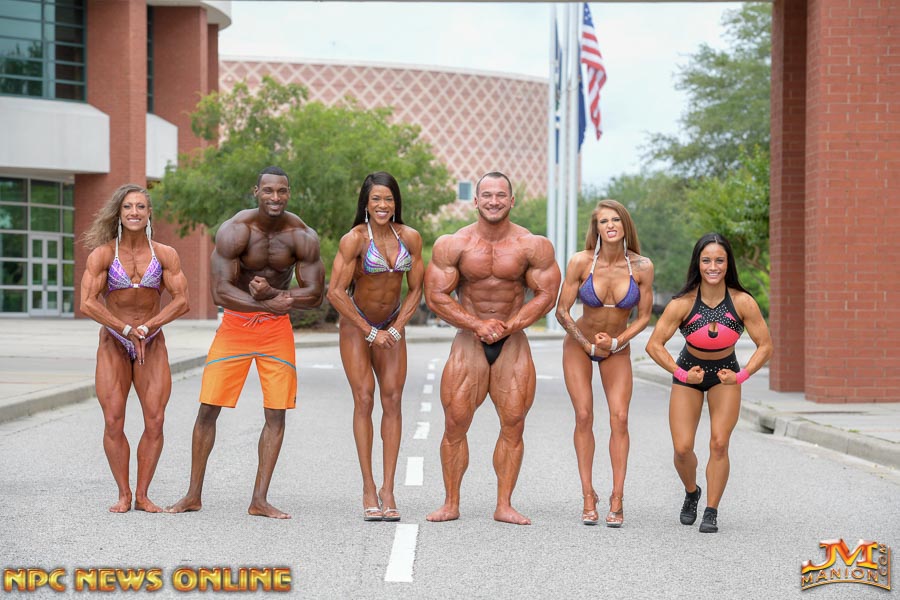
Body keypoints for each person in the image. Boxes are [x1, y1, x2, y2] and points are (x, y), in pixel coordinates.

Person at [167, 166, 325, 519]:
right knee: (209, 408)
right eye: (268, 190)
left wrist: (274, 295)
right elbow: (220, 291)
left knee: (276, 413)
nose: (275, 197)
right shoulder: (235, 230)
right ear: (256, 191)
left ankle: (259, 500)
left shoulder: (302, 235)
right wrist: (269, 301)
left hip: (275, 331)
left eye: (281, 191)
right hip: (236, 326)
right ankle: (193, 495)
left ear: (289, 193)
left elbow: (315, 294)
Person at [424, 171, 561, 525]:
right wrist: (477, 324)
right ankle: (451, 503)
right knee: (455, 422)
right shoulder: (453, 244)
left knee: (514, 423)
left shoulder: (533, 245)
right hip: (469, 340)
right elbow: (435, 295)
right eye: (487, 195)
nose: (494, 201)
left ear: (511, 200)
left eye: (501, 195)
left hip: (512, 341)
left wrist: (509, 325)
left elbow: (547, 294)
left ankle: (504, 504)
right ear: (476, 200)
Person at [646, 233, 772, 533]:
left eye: (719, 260)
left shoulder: (742, 302)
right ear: (697, 263)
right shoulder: (682, 303)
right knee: (682, 448)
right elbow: (654, 345)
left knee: (719, 443)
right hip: (689, 374)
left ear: (728, 264)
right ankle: (692, 491)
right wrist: (681, 374)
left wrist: (741, 376)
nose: (713, 266)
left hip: (726, 376)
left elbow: (765, 345)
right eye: (706, 260)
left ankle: (711, 510)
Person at [80, 183, 190, 513]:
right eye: (128, 207)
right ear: (119, 213)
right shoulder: (103, 255)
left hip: (151, 342)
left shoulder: (165, 254)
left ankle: (142, 495)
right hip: (114, 341)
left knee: (155, 420)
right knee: (114, 421)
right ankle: (123, 494)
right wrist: (126, 329)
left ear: (149, 213)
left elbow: (182, 300)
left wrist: (149, 327)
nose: (134, 212)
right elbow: (87, 302)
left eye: (141, 207)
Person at [327, 172, 424, 522]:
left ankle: (388, 489)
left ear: (396, 203)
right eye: (376, 199)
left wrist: (395, 328)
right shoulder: (354, 240)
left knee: (393, 400)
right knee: (365, 398)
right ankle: (368, 487)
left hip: (392, 325)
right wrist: (369, 331)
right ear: (366, 204)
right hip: (357, 325)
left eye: (388, 199)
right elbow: (335, 292)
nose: (382, 205)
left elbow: (416, 289)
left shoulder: (409, 237)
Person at [554, 199, 654, 527]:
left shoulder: (642, 267)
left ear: (625, 225)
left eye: (616, 220)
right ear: (596, 228)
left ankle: (617, 497)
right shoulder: (581, 262)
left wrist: (616, 342)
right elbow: (562, 311)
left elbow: (644, 317)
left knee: (620, 418)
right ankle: (588, 495)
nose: (610, 226)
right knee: (584, 415)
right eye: (603, 221)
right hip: (579, 345)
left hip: (617, 347)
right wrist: (587, 345)